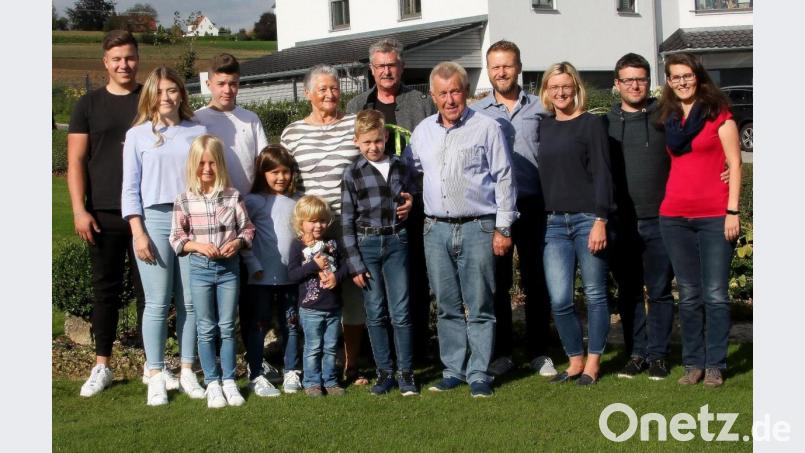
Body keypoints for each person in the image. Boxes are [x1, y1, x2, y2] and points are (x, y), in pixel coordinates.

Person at [281, 64, 412, 386]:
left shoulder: (353, 127)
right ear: (308, 93)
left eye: (334, 88)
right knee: (313, 294)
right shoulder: (292, 132)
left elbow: (381, 167)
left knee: (355, 296)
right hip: (312, 228)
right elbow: (284, 179)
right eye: (322, 89)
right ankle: (314, 365)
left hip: (351, 225)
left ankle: (350, 365)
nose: (329, 94)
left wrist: (405, 197)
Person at [405, 61, 517, 398]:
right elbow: (411, 175)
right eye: (443, 93)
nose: (450, 99)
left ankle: (479, 372)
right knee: (447, 305)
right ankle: (454, 369)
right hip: (435, 229)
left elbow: (504, 177)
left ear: (465, 91)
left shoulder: (487, 127)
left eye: (455, 91)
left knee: (480, 304)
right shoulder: (423, 131)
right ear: (433, 96)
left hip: (478, 227)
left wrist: (504, 227)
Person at [346, 38, 436, 365]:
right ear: (371, 69)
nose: (387, 70)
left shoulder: (421, 104)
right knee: (375, 291)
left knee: (414, 283)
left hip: (412, 211)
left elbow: (431, 156)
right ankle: (379, 357)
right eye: (380, 65)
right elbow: (351, 161)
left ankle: (417, 353)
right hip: (371, 219)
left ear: (402, 67)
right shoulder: (356, 105)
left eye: (392, 64)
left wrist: (416, 195)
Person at [121, 66, 208, 406]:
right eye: (160, 91)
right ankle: (155, 373)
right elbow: (129, 189)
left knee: (189, 301)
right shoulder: (138, 135)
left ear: (181, 94)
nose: (167, 97)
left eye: (173, 90)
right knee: (157, 302)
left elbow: (206, 177)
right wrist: (138, 231)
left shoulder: (196, 131)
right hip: (154, 219)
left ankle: (187, 368)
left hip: (192, 218)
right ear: (151, 96)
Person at [191, 53, 280, 384]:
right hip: (210, 222)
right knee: (213, 300)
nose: (228, 89)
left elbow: (262, 165)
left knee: (249, 295)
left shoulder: (250, 119)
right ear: (209, 83)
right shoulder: (198, 120)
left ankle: (254, 360)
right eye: (221, 83)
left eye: (233, 83)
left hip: (246, 218)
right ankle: (212, 367)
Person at [68, 30, 147, 397]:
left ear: (137, 58)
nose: (124, 65)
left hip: (147, 212)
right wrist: (79, 209)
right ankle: (102, 365)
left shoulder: (150, 98)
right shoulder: (88, 105)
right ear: (105, 62)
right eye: (116, 59)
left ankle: (153, 364)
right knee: (106, 290)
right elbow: (76, 160)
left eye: (129, 57)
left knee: (151, 291)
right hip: (103, 211)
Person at [472, 40, 557, 377]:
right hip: (494, 210)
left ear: (519, 67)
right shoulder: (477, 113)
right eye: (495, 66)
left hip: (535, 204)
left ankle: (539, 351)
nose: (501, 72)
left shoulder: (541, 107)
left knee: (536, 280)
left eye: (507, 65)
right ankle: (502, 353)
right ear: (489, 70)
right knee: (497, 282)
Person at [657, 53, 742, 388]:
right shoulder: (669, 118)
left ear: (698, 76)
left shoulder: (719, 115)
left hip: (714, 216)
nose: (681, 82)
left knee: (716, 294)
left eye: (687, 76)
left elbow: (735, 164)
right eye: (675, 77)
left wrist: (732, 210)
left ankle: (715, 364)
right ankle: (693, 363)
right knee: (689, 294)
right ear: (668, 81)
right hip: (674, 216)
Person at [537, 62, 614, 386]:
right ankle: (574, 360)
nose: (561, 92)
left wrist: (600, 220)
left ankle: (593, 362)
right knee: (559, 299)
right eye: (554, 87)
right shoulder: (544, 126)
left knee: (595, 294)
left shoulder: (591, 124)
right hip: (554, 223)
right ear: (546, 91)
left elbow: (602, 174)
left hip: (587, 220)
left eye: (566, 86)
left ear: (576, 87)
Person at [169, 135, 256, 408]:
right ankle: (213, 382)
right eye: (201, 163)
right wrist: (196, 245)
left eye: (212, 163)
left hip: (229, 269)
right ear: (193, 165)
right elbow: (176, 238)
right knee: (206, 328)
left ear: (220, 164)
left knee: (228, 327)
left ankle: (229, 381)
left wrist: (238, 242)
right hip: (200, 269)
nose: (207, 169)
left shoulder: (232, 197)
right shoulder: (184, 200)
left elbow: (248, 230)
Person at [604, 53, 676, 381]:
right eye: (628, 79)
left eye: (641, 79)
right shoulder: (604, 123)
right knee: (629, 291)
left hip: (660, 219)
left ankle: (659, 355)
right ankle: (637, 353)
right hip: (622, 222)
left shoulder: (666, 116)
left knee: (659, 290)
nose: (635, 85)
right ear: (617, 84)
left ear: (649, 82)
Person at [341, 109, 417, 396]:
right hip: (367, 245)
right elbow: (347, 220)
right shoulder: (352, 173)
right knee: (375, 312)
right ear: (356, 142)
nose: (373, 147)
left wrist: (411, 202)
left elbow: (413, 195)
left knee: (401, 311)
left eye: (377, 141)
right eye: (366, 143)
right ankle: (385, 372)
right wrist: (354, 263)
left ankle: (406, 372)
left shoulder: (400, 166)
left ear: (385, 136)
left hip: (397, 242)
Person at [240, 145, 303, 396]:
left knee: (291, 324)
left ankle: (292, 371)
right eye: (274, 172)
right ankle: (256, 373)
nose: (280, 177)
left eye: (285, 171)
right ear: (262, 173)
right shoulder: (252, 201)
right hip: (260, 279)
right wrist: (253, 267)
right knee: (259, 326)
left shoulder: (297, 201)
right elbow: (243, 237)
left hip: (291, 277)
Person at [287, 196, 349, 397]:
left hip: (333, 306)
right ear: (301, 223)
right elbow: (293, 274)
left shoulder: (332, 243)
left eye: (322, 220)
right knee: (313, 347)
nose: (318, 225)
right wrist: (313, 266)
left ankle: (330, 381)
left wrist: (336, 277)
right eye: (312, 221)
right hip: (310, 307)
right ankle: (312, 382)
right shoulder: (297, 246)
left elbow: (346, 265)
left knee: (331, 347)